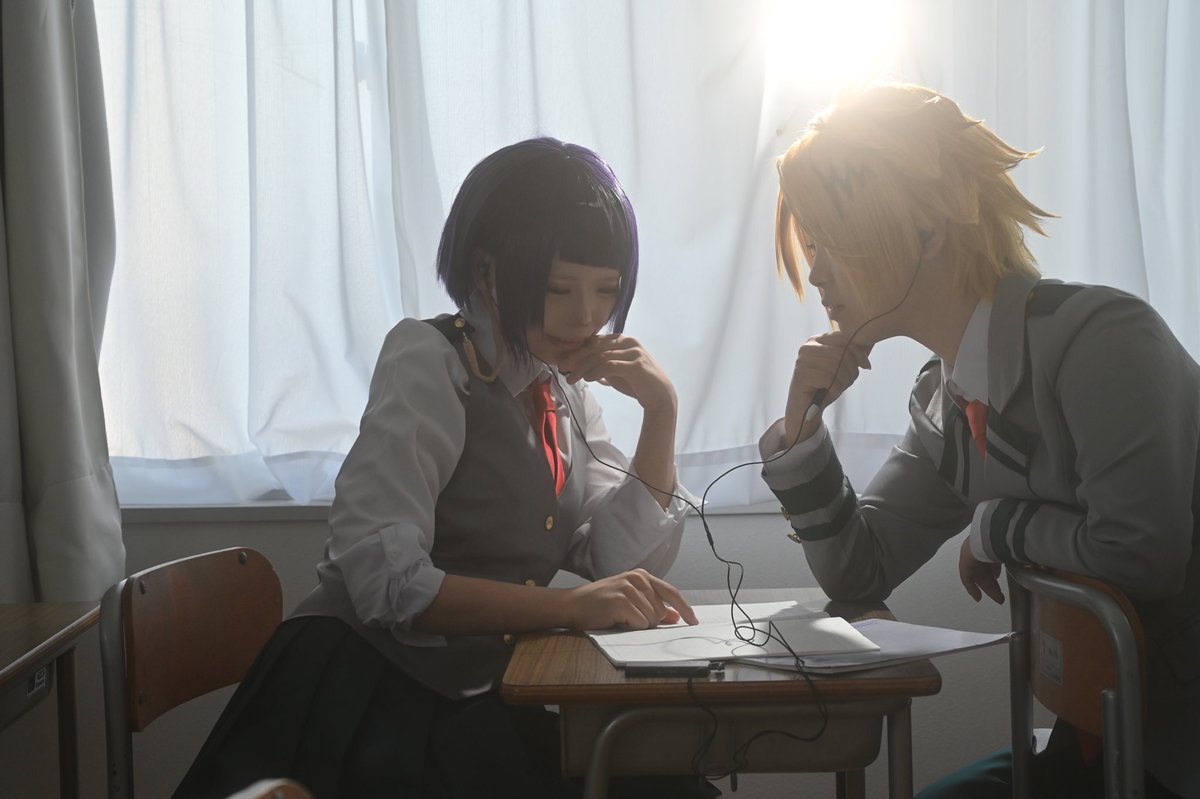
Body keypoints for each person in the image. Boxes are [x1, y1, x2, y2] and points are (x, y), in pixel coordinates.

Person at [174, 137, 715, 799]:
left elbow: (616, 559)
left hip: (466, 696)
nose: (586, 316)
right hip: (366, 696)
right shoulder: (429, 361)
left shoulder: (560, 389)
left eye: (607, 291)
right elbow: (386, 579)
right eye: (559, 288)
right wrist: (567, 607)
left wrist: (661, 410)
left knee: (664, 775)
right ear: (487, 270)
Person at [760, 83, 1199, 798]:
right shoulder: (946, 398)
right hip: (1106, 747)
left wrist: (995, 526)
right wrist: (801, 431)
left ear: (929, 228)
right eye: (812, 245)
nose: (816, 271)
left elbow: (1141, 553)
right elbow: (859, 574)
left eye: (832, 239)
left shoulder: (1105, 341)